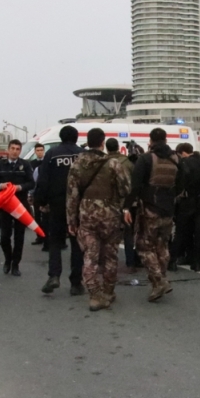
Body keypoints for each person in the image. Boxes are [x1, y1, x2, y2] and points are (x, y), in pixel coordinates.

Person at [67, 129, 130, 311]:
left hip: (86, 216)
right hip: (110, 216)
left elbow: (72, 196)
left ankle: (95, 295)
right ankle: (108, 291)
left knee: (90, 257)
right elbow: (126, 188)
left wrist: (71, 221)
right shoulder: (113, 164)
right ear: (102, 142)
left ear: (87, 142)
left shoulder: (77, 165)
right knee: (110, 256)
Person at [123, 128, 179, 302]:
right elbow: (184, 181)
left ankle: (159, 280)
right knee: (162, 246)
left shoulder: (146, 159)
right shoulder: (176, 159)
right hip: (169, 209)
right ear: (166, 139)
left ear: (151, 140)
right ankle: (160, 281)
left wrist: (126, 207)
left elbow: (136, 185)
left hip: (150, 209)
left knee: (144, 246)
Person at [35, 126, 85, 295]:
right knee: (77, 244)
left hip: (56, 204)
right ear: (76, 138)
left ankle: (54, 276)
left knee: (55, 241)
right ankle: (76, 282)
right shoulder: (83, 155)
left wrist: (41, 201)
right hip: (78, 206)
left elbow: (43, 180)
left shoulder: (52, 154)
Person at [0, 140, 34, 276]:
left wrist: (20, 187)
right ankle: (8, 259)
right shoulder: (0, 165)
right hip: (6, 205)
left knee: (19, 237)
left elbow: (31, 183)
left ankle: (16, 264)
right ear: (8, 149)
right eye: (12, 148)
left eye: (17, 149)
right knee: (4, 236)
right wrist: (0, 186)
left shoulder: (25, 165)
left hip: (20, 204)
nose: (15, 151)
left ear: (20, 151)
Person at [170, 143, 200, 271]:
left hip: (188, 202)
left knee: (182, 232)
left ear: (183, 152)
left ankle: (173, 260)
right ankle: (198, 262)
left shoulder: (185, 163)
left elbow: (179, 183)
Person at [106, 138, 137, 271]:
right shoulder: (127, 162)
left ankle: (108, 263)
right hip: (126, 203)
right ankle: (131, 262)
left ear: (106, 148)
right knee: (128, 233)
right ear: (118, 147)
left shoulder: (103, 162)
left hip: (108, 203)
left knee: (107, 234)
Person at [30, 143, 47, 248]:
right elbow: (32, 180)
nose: (40, 152)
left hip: (44, 193)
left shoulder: (47, 162)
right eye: (38, 150)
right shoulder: (32, 164)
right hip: (36, 193)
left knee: (45, 216)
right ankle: (39, 236)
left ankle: (46, 236)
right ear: (35, 152)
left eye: (41, 150)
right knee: (37, 216)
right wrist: (30, 194)